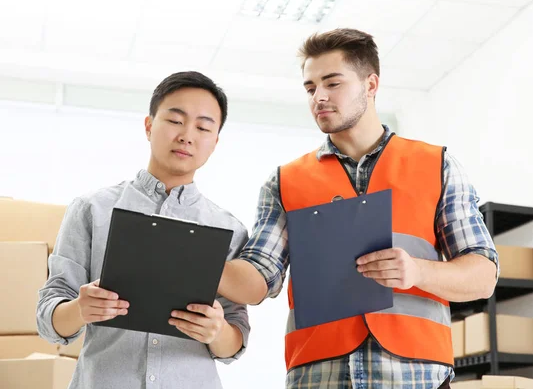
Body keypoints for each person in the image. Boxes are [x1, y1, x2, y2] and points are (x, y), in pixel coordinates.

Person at [217, 29, 499, 388]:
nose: (319, 97)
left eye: (332, 83)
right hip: (319, 376)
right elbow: (259, 277)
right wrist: (197, 260)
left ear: (371, 84)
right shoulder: (285, 181)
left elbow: (483, 275)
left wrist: (417, 271)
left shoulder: (436, 165)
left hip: (416, 376)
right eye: (310, 88)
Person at [36, 71, 250, 389]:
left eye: (203, 127)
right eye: (175, 120)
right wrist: (81, 309)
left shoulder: (228, 229)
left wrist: (216, 331)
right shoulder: (92, 208)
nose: (187, 136)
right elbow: (48, 317)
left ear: (214, 142)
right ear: (149, 126)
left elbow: (236, 337)